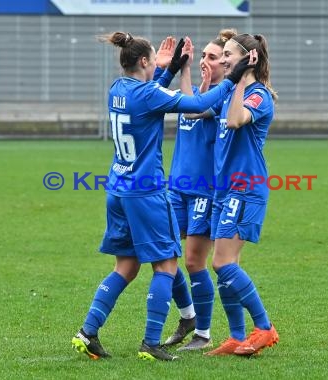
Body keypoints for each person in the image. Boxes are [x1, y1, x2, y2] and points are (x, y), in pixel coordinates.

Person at [70, 32, 254, 361]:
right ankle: (151, 343)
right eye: (154, 59)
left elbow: (150, 92)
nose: (158, 63)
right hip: (146, 192)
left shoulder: (118, 88)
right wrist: (234, 78)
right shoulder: (149, 94)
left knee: (125, 267)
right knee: (167, 265)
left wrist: (170, 70)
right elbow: (197, 104)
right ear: (144, 62)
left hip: (117, 189)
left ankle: (88, 332)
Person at [202, 33, 279, 356]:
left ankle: (264, 327)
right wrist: (195, 76)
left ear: (250, 59)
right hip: (225, 188)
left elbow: (235, 121)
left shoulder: (259, 96)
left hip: (245, 188)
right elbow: (194, 112)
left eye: (228, 56)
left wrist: (235, 86)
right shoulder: (229, 91)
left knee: (222, 263)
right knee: (225, 263)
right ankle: (236, 335)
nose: (222, 61)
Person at [163, 30, 236, 351]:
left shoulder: (224, 97)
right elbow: (187, 102)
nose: (205, 61)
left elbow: (193, 109)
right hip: (176, 188)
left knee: (193, 262)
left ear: (226, 63)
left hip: (204, 192)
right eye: (202, 55)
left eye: (211, 57)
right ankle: (188, 316)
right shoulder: (194, 91)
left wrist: (190, 73)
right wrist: (182, 69)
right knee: (164, 253)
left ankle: (203, 334)